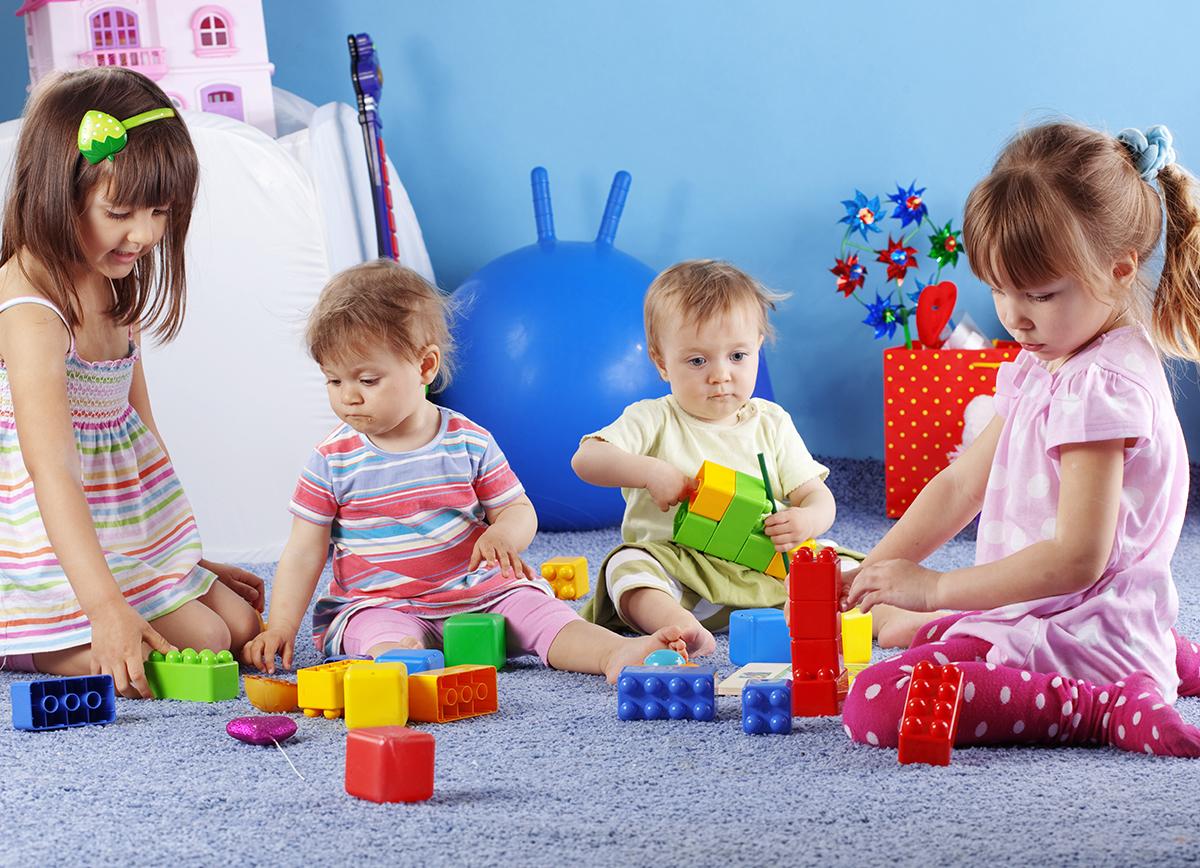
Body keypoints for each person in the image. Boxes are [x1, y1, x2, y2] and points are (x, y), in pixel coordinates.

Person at [840, 122, 1200, 756]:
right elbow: (961, 485)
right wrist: (867, 574)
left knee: (876, 702)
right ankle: (1158, 649)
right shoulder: (1049, 358)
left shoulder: (1100, 387)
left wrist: (936, 589)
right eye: (998, 290)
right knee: (927, 635)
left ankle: (1103, 706)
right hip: (1042, 614)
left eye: (1038, 294)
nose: (1013, 317)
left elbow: (1077, 558)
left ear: (1119, 271)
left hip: (1083, 643)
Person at [243, 260, 694, 681]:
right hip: (381, 602)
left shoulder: (467, 441)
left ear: (424, 366)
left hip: (482, 593)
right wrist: (281, 625)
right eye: (334, 380)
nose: (349, 397)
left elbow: (518, 509)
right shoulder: (331, 460)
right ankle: (401, 666)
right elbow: (305, 550)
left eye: (367, 380)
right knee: (378, 634)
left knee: (542, 613)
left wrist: (504, 535)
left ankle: (613, 652)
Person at [0, 68, 263, 698]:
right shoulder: (33, 314)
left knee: (240, 624)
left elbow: (141, 432)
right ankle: (29, 642)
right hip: (37, 544)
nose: (144, 234)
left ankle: (126, 600)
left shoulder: (112, 281)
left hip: (113, 529)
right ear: (58, 194)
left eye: (160, 212)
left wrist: (175, 557)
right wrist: (105, 608)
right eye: (120, 212)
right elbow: (52, 472)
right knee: (203, 639)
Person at [573, 259, 837, 656]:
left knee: (839, 565)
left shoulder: (771, 422)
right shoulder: (653, 418)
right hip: (682, 575)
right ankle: (679, 627)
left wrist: (807, 519)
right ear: (661, 362)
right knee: (624, 566)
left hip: (764, 571)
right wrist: (649, 471)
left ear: (757, 348)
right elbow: (586, 459)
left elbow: (816, 496)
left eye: (738, 356)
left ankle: (886, 618)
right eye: (698, 361)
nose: (720, 375)